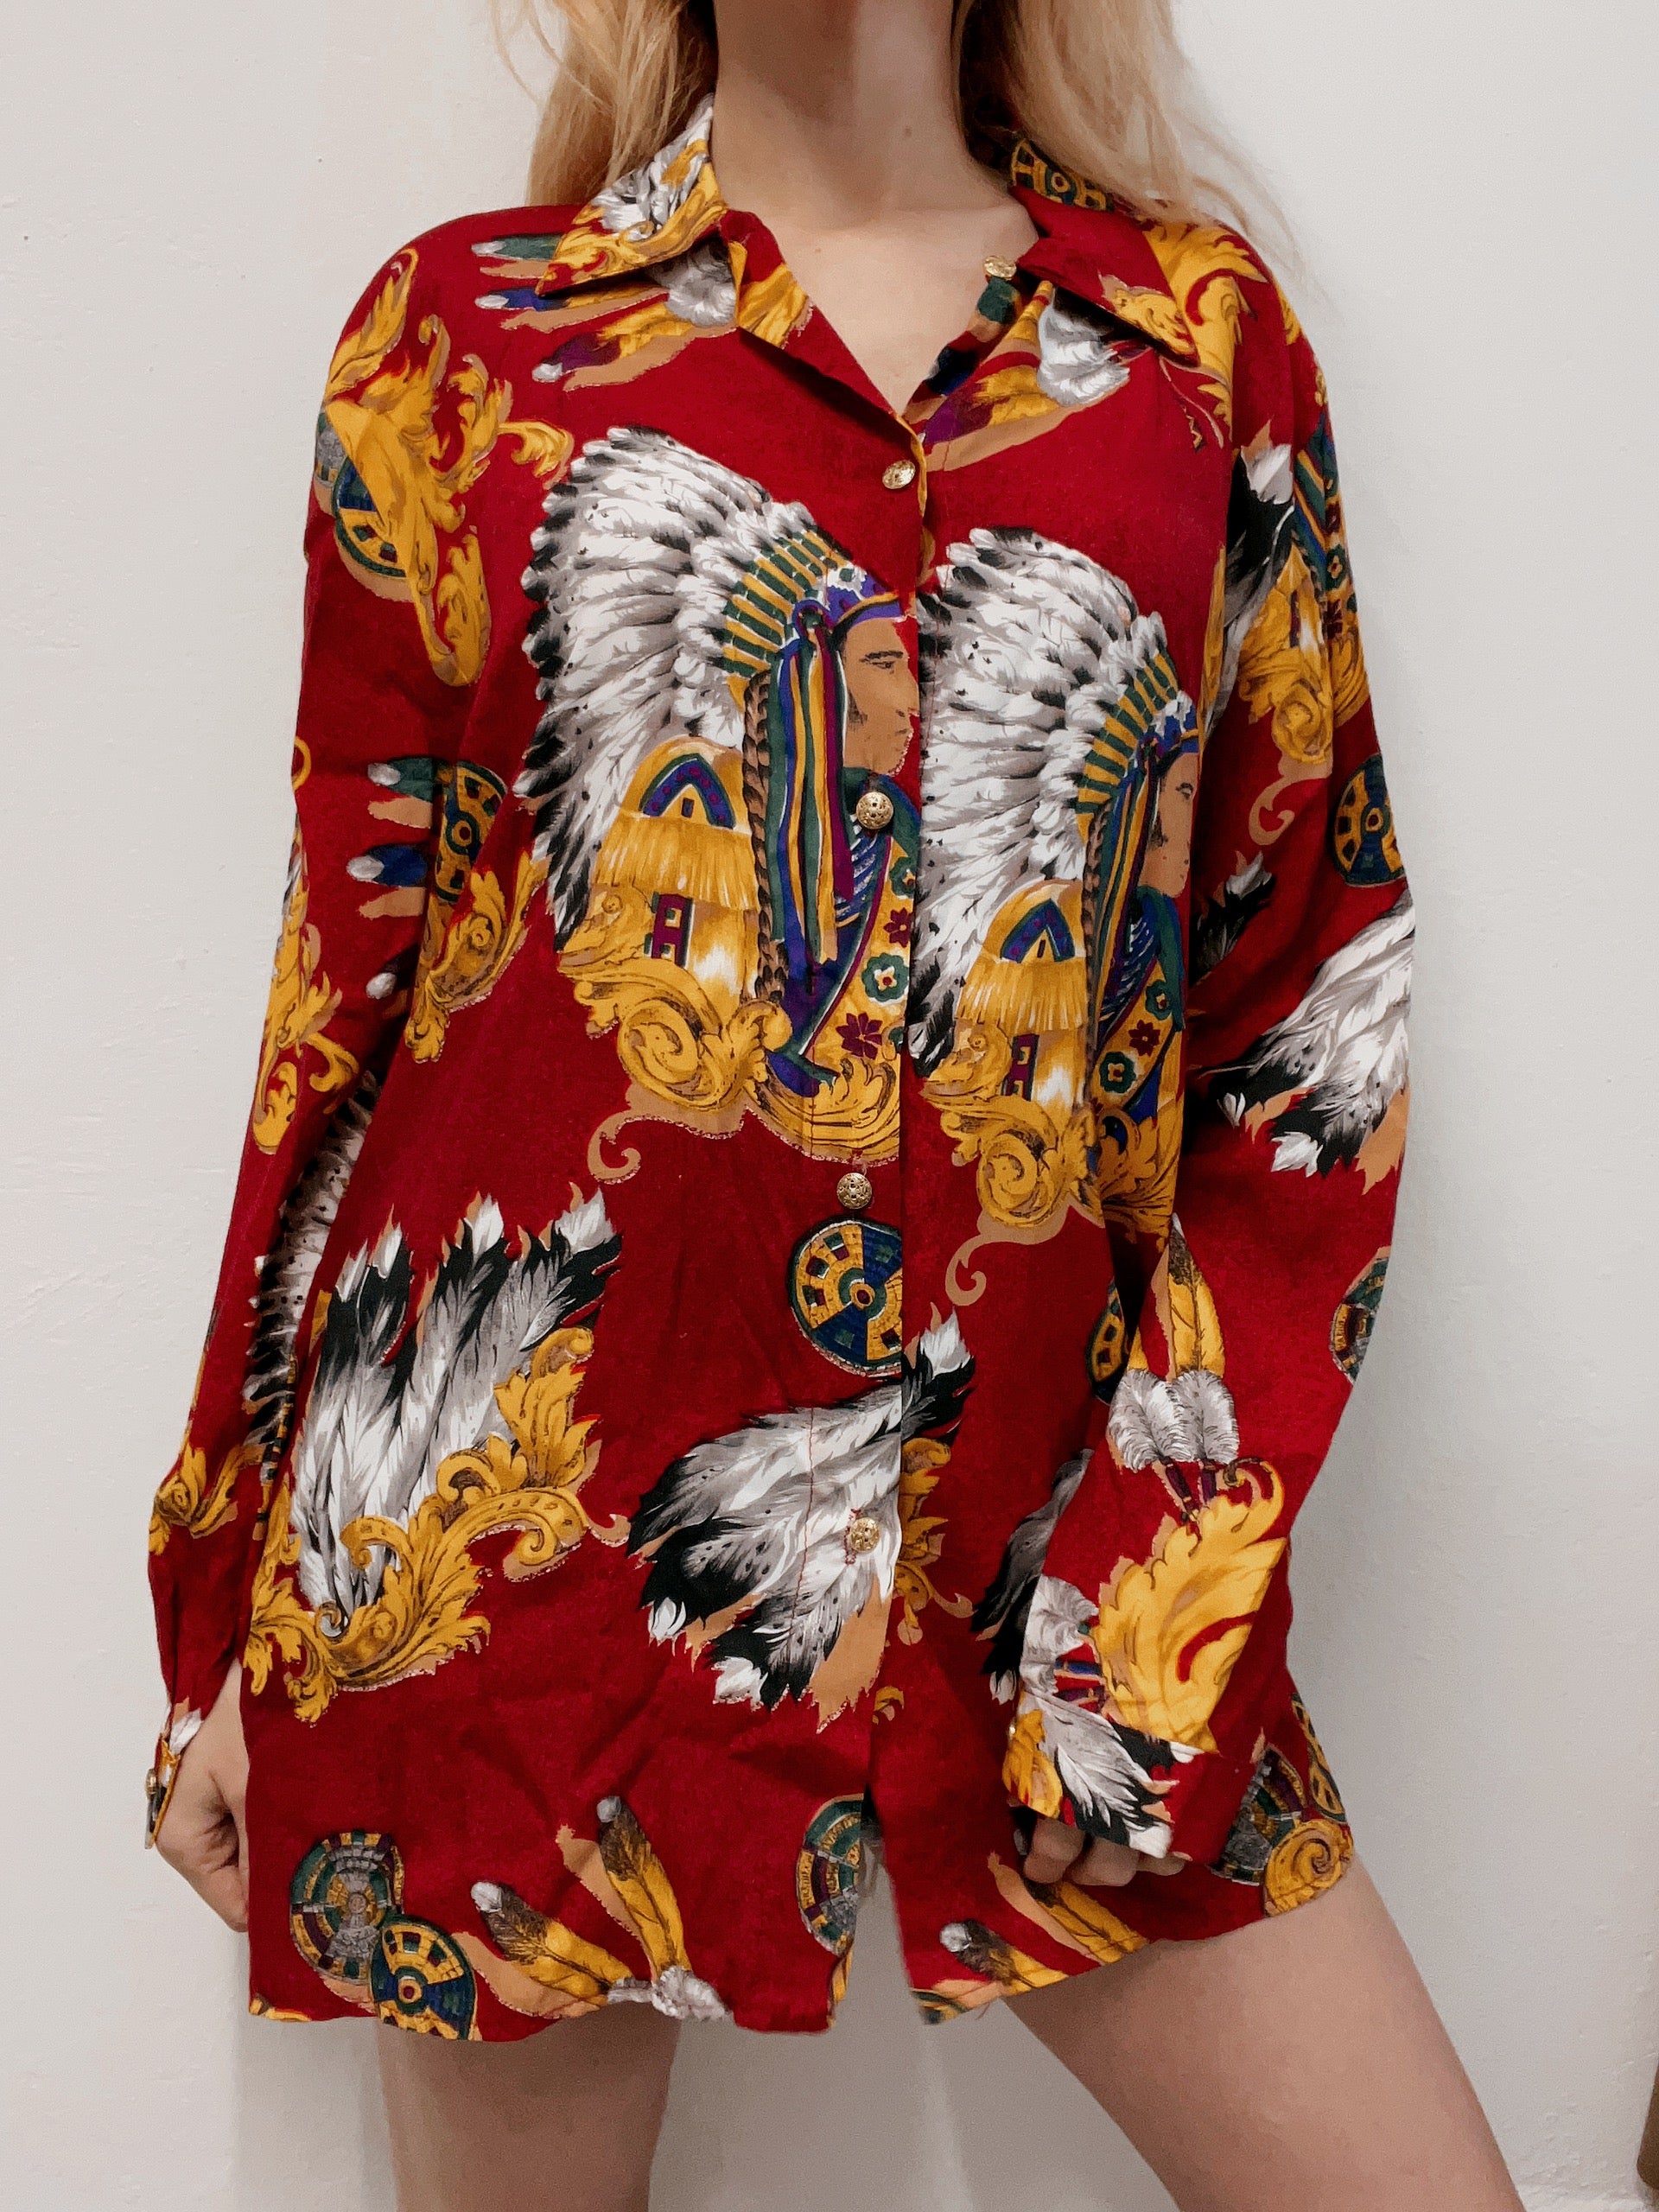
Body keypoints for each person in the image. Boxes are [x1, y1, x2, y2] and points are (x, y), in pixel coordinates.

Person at [145, 2, 1522, 2206]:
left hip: (1059, 1568)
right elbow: (348, 1006)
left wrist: (1158, 1615)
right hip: (504, 1584)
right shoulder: (461, 343)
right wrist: (222, 1605)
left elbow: (1306, 1008)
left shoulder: (1195, 352)